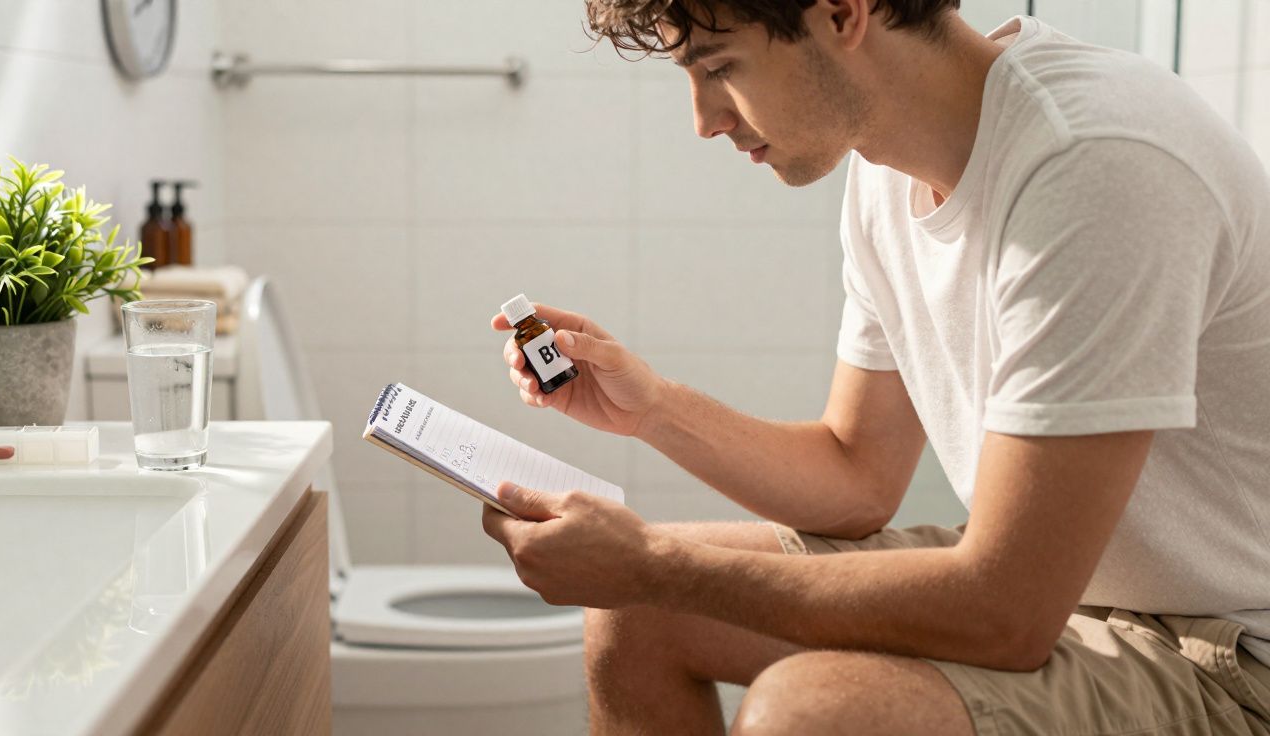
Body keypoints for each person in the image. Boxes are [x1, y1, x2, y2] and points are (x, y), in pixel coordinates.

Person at [481, 1, 1270, 733]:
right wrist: (649, 408)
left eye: (719, 68)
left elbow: (1008, 610)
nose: (704, 121)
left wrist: (655, 565)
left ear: (841, 13)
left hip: (1227, 649)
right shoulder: (886, 172)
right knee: (633, 614)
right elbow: (856, 475)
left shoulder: (1095, 162)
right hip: (1077, 592)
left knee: (808, 713)